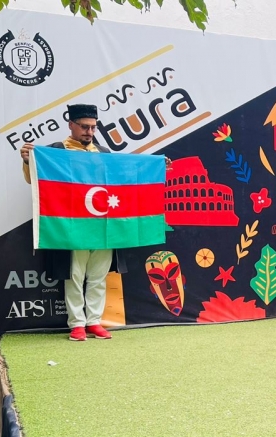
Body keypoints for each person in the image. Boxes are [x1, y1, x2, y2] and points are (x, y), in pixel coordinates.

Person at [21, 103, 170, 341]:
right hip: (72, 227)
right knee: (74, 276)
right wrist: (29, 161)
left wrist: (156, 169)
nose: (89, 132)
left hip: (102, 226)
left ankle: (94, 321)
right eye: (84, 127)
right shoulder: (55, 151)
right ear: (71, 125)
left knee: (98, 276)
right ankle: (77, 324)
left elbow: (126, 180)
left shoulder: (104, 153)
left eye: (93, 127)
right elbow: (35, 182)